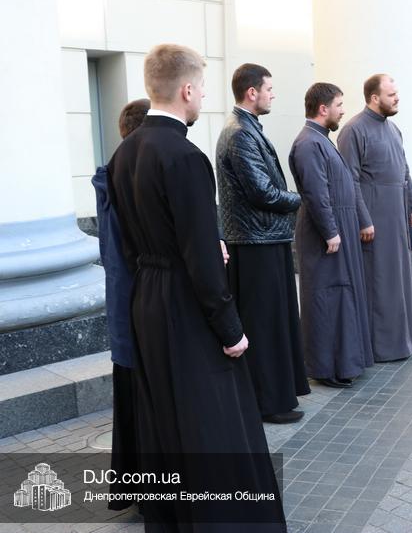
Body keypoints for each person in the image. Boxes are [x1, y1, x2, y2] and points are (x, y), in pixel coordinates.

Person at [106, 44, 285, 529]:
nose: (204, 95)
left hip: (146, 298)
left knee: (165, 417)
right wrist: (231, 329)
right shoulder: (184, 156)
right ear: (186, 89)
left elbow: (132, 243)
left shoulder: (125, 153)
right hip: (183, 302)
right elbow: (201, 260)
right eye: (202, 87)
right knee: (211, 420)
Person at [216, 63, 309, 424]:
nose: (273, 95)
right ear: (251, 92)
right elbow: (262, 192)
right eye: (269, 89)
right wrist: (299, 199)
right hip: (255, 243)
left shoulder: (247, 127)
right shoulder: (240, 133)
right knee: (264, 326)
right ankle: (267, 402)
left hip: (263, 238)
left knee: (274, 323)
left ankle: (275, 397)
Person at [289, 83, 373, 388]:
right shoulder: (309, 143)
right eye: (339, 105)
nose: (342, 110)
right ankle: (326, 368)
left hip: (337, 229)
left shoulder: (320, 139)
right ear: (323, 109)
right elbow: (316, 193)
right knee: (325, 298)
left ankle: (343, 363)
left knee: (340, 296)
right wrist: (330, 231)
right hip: (325, 235)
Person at [337, 74, 412, 362]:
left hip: (397, 216)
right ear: (374, 98)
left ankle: (405, 340)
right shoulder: (353, 130)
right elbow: (349, 180)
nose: (397, 98)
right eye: (391, 94)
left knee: (400, 280)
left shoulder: (394, 129)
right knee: (380, 281)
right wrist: (363, 220)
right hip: (375, 219)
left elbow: (404, 171)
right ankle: (381, 347)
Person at [91, 97, 149, 512]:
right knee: (141, 407)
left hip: (125, 311)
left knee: (131, 406)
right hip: (137, 309)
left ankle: (135, 492)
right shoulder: (126, 181)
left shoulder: (112, 177)